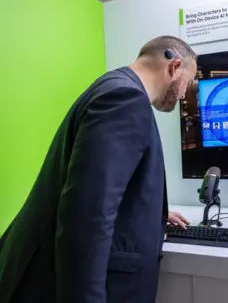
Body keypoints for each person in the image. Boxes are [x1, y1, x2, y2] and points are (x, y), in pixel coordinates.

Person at [0, 36, 197, 303]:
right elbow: (87, 216)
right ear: (174, 67)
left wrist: (151, 213)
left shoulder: (112, 86)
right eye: (188, 82)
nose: (185, 93)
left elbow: (95, 185)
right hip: (56, 281)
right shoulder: (125, 99)